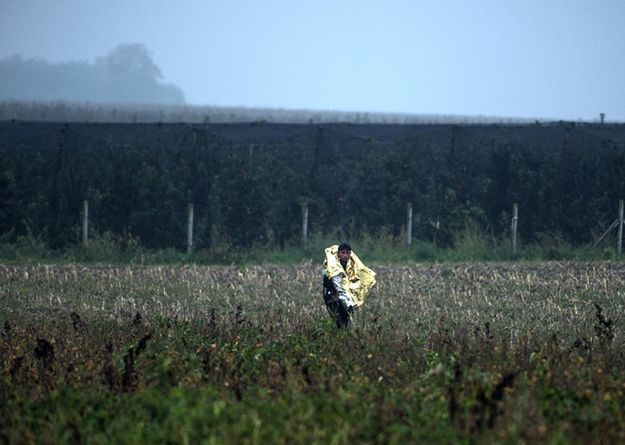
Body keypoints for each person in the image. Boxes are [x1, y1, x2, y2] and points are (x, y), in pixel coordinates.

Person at [322, 243, 376, 328]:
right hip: (331, 294)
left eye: (347, 253)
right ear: (338, 253)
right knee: (337, 319)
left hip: (343, 294)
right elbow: (339, 289)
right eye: (342, 253)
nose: (345, 255)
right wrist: (348, 304)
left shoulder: (351, 265)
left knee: (346, 319)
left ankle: (344, 336)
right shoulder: (334, 267)